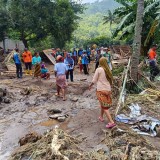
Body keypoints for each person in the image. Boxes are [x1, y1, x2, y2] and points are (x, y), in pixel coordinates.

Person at [89, 57, 116, 129]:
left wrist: (90, 86)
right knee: (103, 104)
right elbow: (111, 81)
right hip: (108, 90)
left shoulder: (99, 69)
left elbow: (94, 80)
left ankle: (111, 122)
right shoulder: (108, 70)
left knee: (105, 107)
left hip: (101, 90)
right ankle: (101, 116)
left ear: (100, 62)